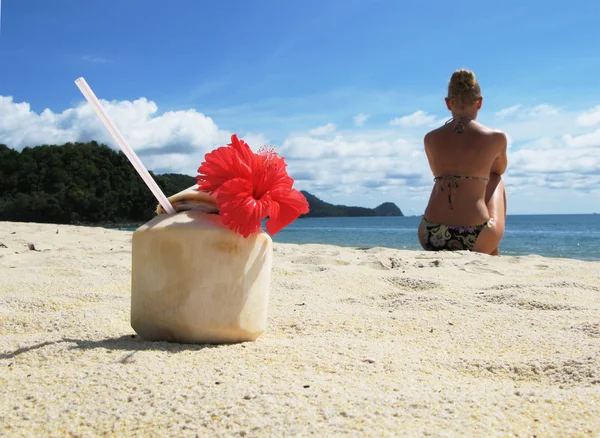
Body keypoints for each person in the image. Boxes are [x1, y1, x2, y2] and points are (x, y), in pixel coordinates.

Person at [418, 69, 507, 255]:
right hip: (475, 236)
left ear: (448, 103)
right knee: (496, 179)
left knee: (442, 178)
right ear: (480, 102)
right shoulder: (496, 137)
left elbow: (436, 172)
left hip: (430, 233)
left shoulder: (430, 138)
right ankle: (493, 254)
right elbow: (499, 169)